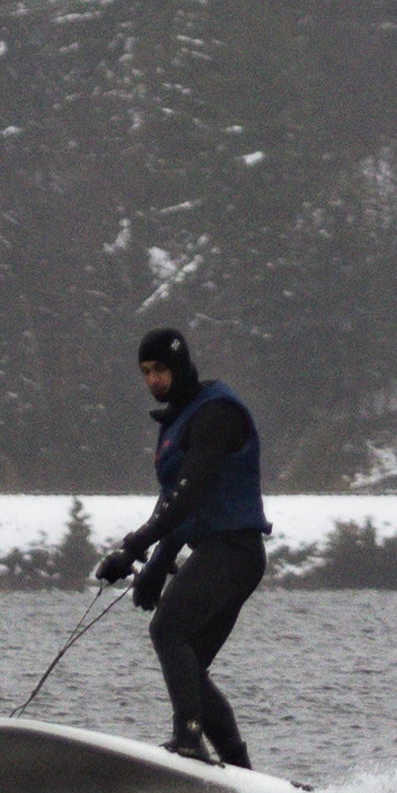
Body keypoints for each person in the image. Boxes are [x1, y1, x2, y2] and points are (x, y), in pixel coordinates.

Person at [93, 306, 267, 766]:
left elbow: (188, 496)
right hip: (219, 552)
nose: (153, 380)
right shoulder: (177, 420)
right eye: (146, 372)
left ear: (180, 365)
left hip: (234, 552)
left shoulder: (215, 413)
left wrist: (132, 548)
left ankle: (188, 740)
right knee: (189, 664)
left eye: (161, 370)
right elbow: (173, 506)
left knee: (168, 630)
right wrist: (152, 567)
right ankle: (241, 772)